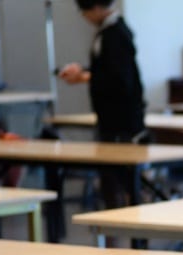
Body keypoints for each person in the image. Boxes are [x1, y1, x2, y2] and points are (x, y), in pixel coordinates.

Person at [58, 0, 145, 208]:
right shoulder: (108, 31)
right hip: (110, 119)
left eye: (83, 10)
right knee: (110, 180)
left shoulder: (116, 33)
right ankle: (112, 228)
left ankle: (131, 229)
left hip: (121, 120)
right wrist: (85, 72)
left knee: (123, 180)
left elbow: (121, 80)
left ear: (96, 7)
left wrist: (86, 77)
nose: (83, 16)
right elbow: (108, 68)